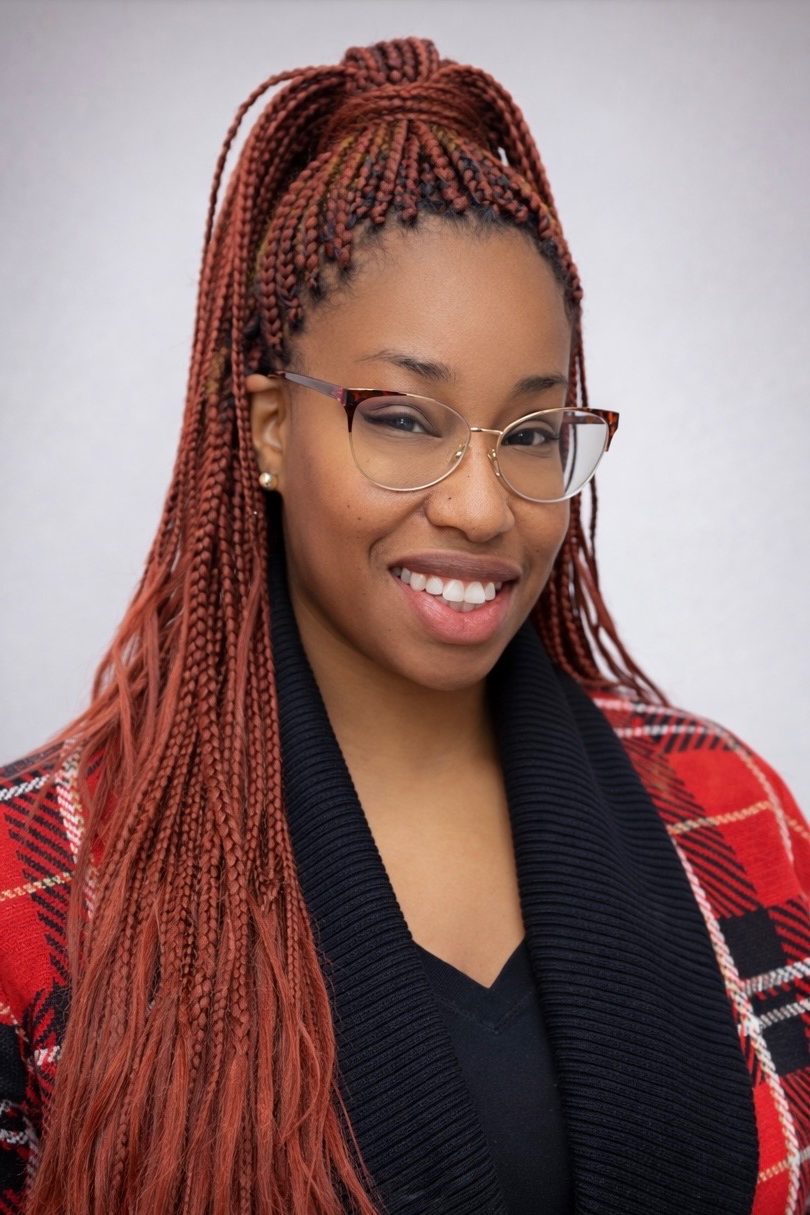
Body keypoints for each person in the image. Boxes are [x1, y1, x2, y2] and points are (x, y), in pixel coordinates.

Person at [1, 34, 808, 1215]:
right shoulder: (36, 884)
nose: (482, 507)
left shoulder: (733, 812)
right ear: (270, 431)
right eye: (403, 419)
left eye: (533, 434)